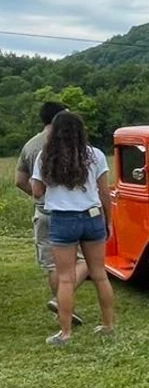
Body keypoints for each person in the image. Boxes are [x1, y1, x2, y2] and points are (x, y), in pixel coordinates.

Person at [30, 111, 117, 344]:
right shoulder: (96, 155)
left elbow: (37, 191)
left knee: (66, 279)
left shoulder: (45, 157)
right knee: (99, 275)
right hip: (92, 217)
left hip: (63, 220)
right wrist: (108, 220)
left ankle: (66, 333)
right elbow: (104, 192)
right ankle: (108, 325)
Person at [15, 100, 88, 325]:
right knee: (83, 260)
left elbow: (19, 180)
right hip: (72, 211)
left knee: (53, 264)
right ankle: (61, 301)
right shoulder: (71, 144)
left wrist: (40, 197)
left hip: (44, 213)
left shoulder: (30, 145)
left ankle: (63, 310)